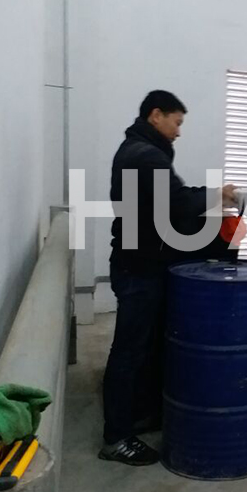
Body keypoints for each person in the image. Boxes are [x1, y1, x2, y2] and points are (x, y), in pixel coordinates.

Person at [99, 90, 237, 466]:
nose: (179, 131)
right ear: (156, 115)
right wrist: (216, 197)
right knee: (129, 352)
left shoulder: (142, 151)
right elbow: (177, 203)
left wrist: (214, 196)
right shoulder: (146, 156)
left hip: (141, 264)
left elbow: (173, 197)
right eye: (176, 122)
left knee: (146, 347)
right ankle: (116, 438)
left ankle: (138, 414)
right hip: (139, 270)